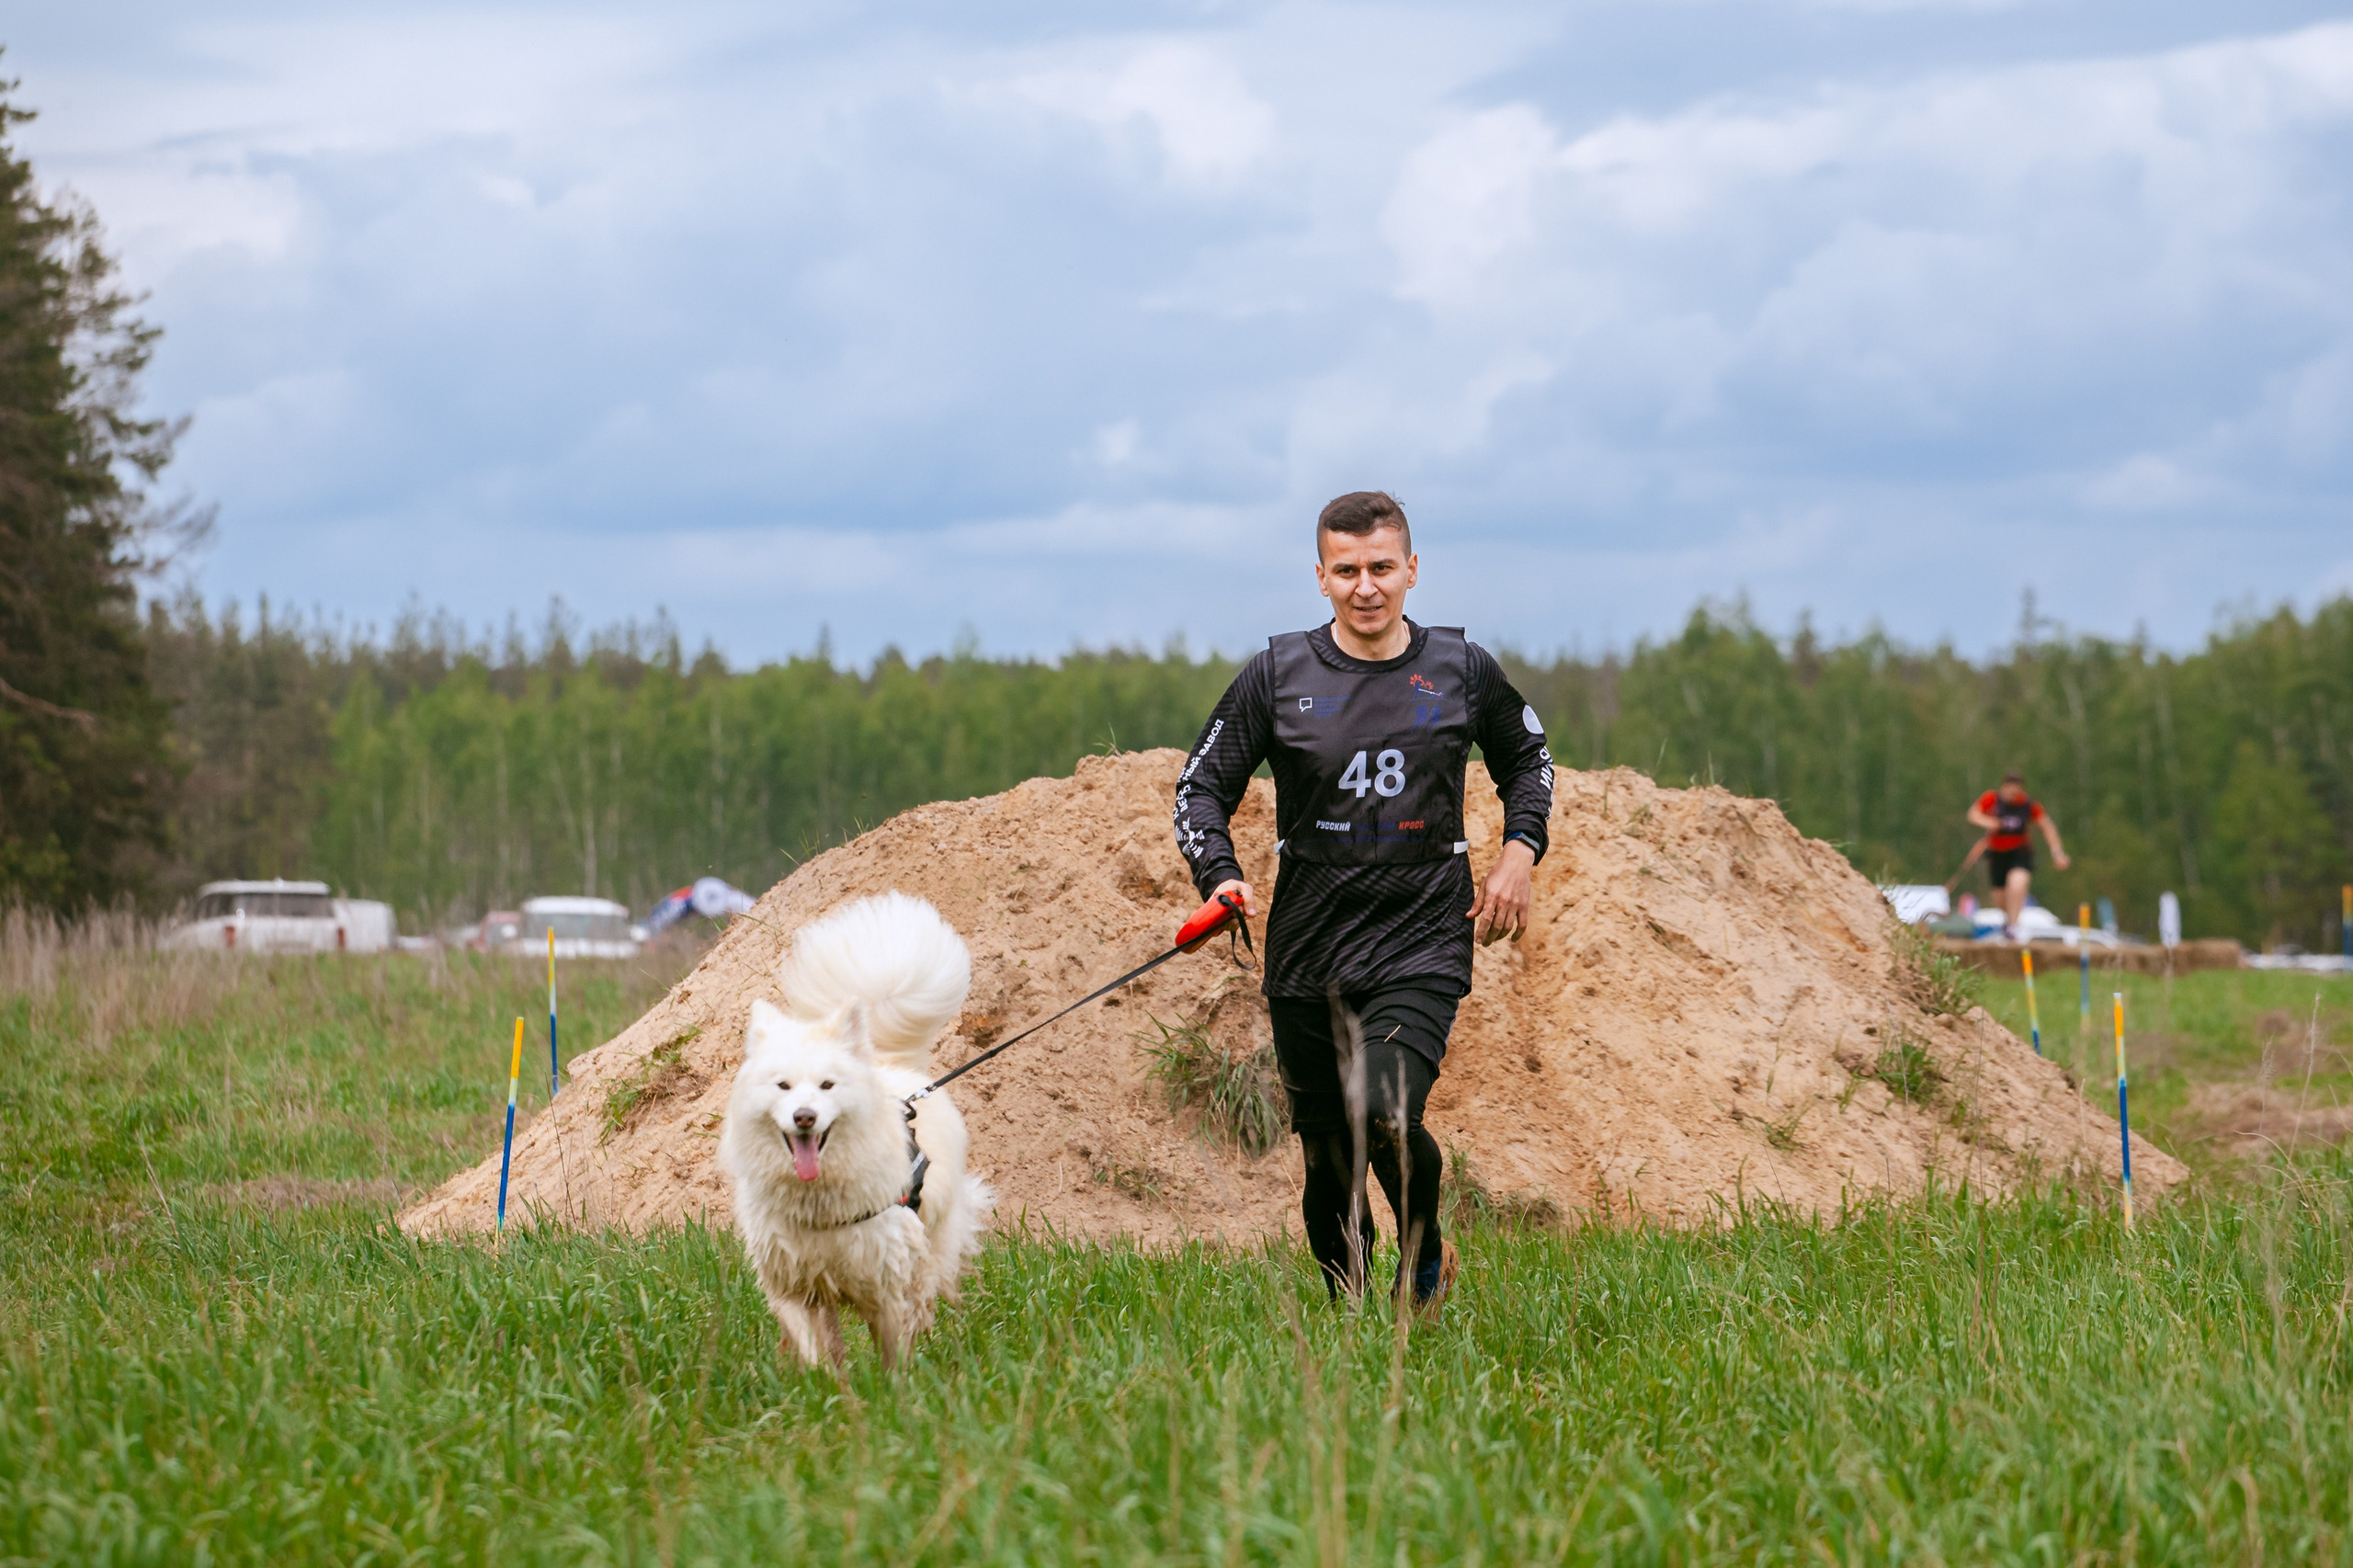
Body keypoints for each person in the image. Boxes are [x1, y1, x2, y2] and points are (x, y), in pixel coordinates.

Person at [1171, 491, 1554, 1314]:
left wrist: (1519, 852)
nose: (1366, 586)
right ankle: (1348, 1320)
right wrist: (1221, 875)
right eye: (1347, 571)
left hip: (1422, 935)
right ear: (1320, 578)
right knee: (1328, 1168)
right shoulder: (1277, 676)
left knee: (1383, 1105)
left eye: (1382, 567)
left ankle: (1422, 1252)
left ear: (1412, 570)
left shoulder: (1460, 670)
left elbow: (1528, 758)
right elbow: (1201, 784)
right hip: (1310, 944)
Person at [1966, 772, 2070, 940]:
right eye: (2010, 792)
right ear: (2003, 788)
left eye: (2016, 793)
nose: (2013, 796)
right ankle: (2008, 923)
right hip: (1997, 854)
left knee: (2017, 885)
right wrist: (1990, 822)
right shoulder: (1991, 799)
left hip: (2020, 853)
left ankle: (2014, 927)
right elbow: (1973, 814)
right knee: (2000, 898)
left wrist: (2057, 853)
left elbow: (2047, 827)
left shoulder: (2028, 805)